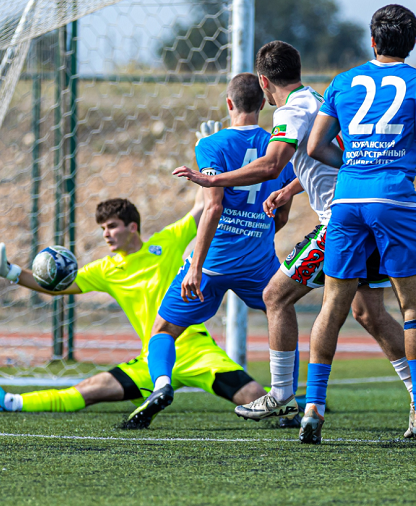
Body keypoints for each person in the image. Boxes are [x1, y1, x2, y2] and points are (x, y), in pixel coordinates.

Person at [173, 40, 416, 438]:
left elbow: (271, 163)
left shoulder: (293, 110)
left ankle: (283, 392)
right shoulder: (317, 99)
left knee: (275, 296)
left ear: (264, 83)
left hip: (342, 220)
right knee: (368, 313)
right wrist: (291, 190)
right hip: (370, 211)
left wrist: (212, 179)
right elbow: (330, 155)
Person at [303, 4, 416, 442]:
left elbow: (316, 146)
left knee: (332, 306)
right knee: (414, 309)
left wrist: (353, 160)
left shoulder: (341, 81)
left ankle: (313, 407)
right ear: (410, 44)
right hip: (393, 201)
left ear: (372, 41)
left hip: (347, 201)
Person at [0, 196, 266, 415]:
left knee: (257, 397)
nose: (106, 234)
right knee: (89, 389)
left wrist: (209, 171)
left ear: (133, 227)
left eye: (112, 226)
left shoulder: (167, 242)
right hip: (150, 358)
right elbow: (57, 287)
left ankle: (305, 408)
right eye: (102, 228)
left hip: (195, 349)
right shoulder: (105, 269)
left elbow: (202, 208)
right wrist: (11, 272)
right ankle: (8, 401)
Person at [125, 72, 298, 429]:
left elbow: (213, 207)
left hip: (213, 262)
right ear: (264, 103)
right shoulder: (280, 149)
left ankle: (161, 385)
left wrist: (195, 266)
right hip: (258, 262)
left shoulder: (211, 144)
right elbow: (280, 213)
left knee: (162, 330)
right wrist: (257, 234)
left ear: (229, 104)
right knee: (280, 314)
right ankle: (288, 399)